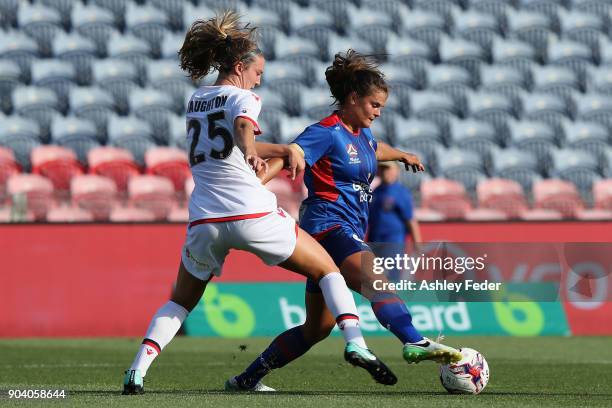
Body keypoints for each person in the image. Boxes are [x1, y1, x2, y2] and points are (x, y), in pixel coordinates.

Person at [122, 13, 396, 395]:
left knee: (181, 302)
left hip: (204, 220)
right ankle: (356, 343)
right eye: (258, 71)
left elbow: (228, 140)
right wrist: (252, 150)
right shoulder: (244, 97)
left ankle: (136, 372)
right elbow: (242, 129)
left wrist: (279, 148)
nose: (259, 78)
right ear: (239, 67)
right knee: (328, 269)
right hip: (251, 212)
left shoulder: (196, 100)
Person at [228, 50, 461, 391]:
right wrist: (255, 184)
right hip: (327, 227)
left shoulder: (363, 134)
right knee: (375, 279)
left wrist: (402, 155)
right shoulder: (325, 131)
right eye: (374, 105)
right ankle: (414, 340)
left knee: (317, 328)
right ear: (353, 99)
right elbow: (291, 154)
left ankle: (246, 379)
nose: (378, 112)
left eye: (381, 106)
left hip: (340, 229)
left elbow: (375, 148)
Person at [368, 161, 422, 281]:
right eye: (382, 168)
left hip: (393, 242)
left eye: (387, 169)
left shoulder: (401, 192)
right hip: (374, 241)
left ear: (396, 171)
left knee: (390, 278)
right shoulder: (376, 191)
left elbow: (410, 220)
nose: (384, 172)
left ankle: (393, 300)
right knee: (374, 278)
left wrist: (417, 245)